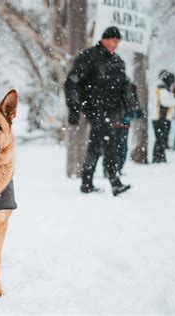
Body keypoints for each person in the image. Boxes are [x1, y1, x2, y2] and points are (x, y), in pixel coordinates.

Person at [65, 26, 131, 196]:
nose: (115, 44)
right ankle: (115, 182)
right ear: (104, 39)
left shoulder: (118, 62)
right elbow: (72, 82)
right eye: (113, 40)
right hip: (92, 106)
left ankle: (86, 183)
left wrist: (129, 108)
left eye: (118, 41)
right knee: (109, 139)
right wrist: (74, 108)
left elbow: (124, 87)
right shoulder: (89, 57)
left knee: (95, 145)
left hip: (110, 109)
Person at [103, 80, 143, 176]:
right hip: (119, 119)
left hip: (120, 119)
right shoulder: (124, 84)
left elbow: (132, 101)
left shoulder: (126, 84)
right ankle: (112, 169)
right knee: (118, 146)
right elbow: (132, 102)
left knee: (117, 146)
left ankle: (113, 169)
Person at [152, 70, 175, 163]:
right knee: (160, 139)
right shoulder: (162, 88)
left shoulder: (161, 87)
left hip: (161, 117)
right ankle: (158, 158)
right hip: (160, 117)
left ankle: (159, 157)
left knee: (161, 139)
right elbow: (165, 102)